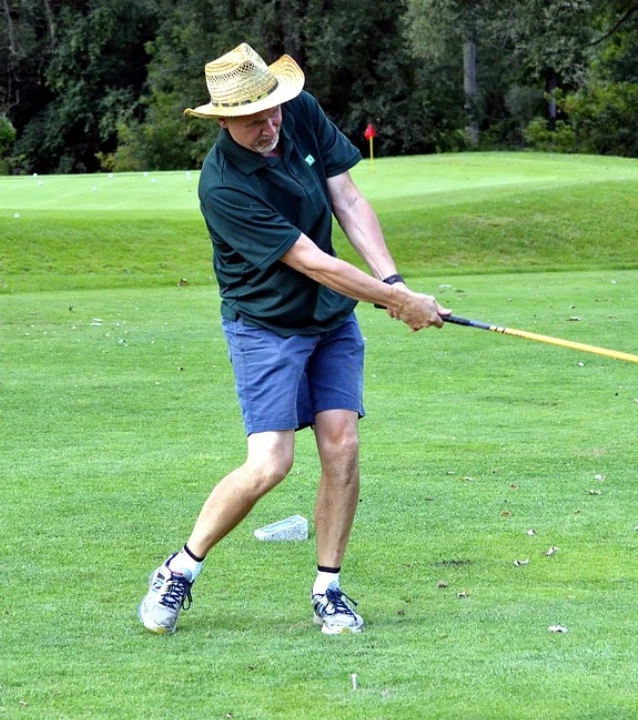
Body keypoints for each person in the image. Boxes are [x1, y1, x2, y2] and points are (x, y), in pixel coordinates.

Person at [138, 43, 446, 635]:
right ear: (222, 120)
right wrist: (398, 304)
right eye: (254, 118)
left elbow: (347, 198)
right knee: (270, 465)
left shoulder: (296, 110)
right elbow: (314, 262)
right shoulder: (223, 186)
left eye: (274, 110)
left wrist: (395, 282)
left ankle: (328, 589)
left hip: (330, 320)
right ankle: (179, 568)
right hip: (266, 326)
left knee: (342, 446)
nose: (271, 124)